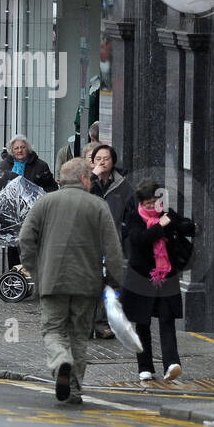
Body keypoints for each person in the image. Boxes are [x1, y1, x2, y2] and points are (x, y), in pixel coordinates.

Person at [19, 157, 124, 405]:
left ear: (60, 180)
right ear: (84, 179)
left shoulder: (45, 202)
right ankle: (74, 388)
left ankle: (60, 361)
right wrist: (115, 280)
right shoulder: (98, 206)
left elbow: (25, 239)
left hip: (51, 280)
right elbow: (113, 248)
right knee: (79, 335)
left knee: (54, 330)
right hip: (87, 283)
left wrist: (36, 270)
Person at [122, 181, 196, 383]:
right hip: (141, 278)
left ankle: (171, 364)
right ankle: (144, 367)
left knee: (167, 319)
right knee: (143, 323)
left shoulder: (167, 213)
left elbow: (188, 227)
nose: (152, 207)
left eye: (155, 202)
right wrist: (160, 227)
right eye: (148, 203)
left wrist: (179, 224)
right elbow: (138, 241)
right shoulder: (134, 218)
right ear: (141, 203)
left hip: (166, 276)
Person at [0, 134, 57, 269]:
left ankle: (32, 277)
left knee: (31, 245)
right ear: (11, 151)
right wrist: (2, 176)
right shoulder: (5, 164)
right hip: (11, 214)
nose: (19, 151)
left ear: (28, 149)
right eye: (16, 148)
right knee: (13, 247)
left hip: (33, 213)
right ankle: (15, 278)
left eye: (23, 147)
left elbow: (52, 187)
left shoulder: (40, 165)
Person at [89, 144, 135, 339]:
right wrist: (92, 177)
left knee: (112, 284)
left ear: (113, 161)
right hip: (90, 241)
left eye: (106, 158)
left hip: (115, 242)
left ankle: (103, 323)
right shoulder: (87, 180)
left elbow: (131, 210)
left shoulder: (123, 184)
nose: (102, 162)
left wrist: (124, 231)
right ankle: (86, 324)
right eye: (98, 158)